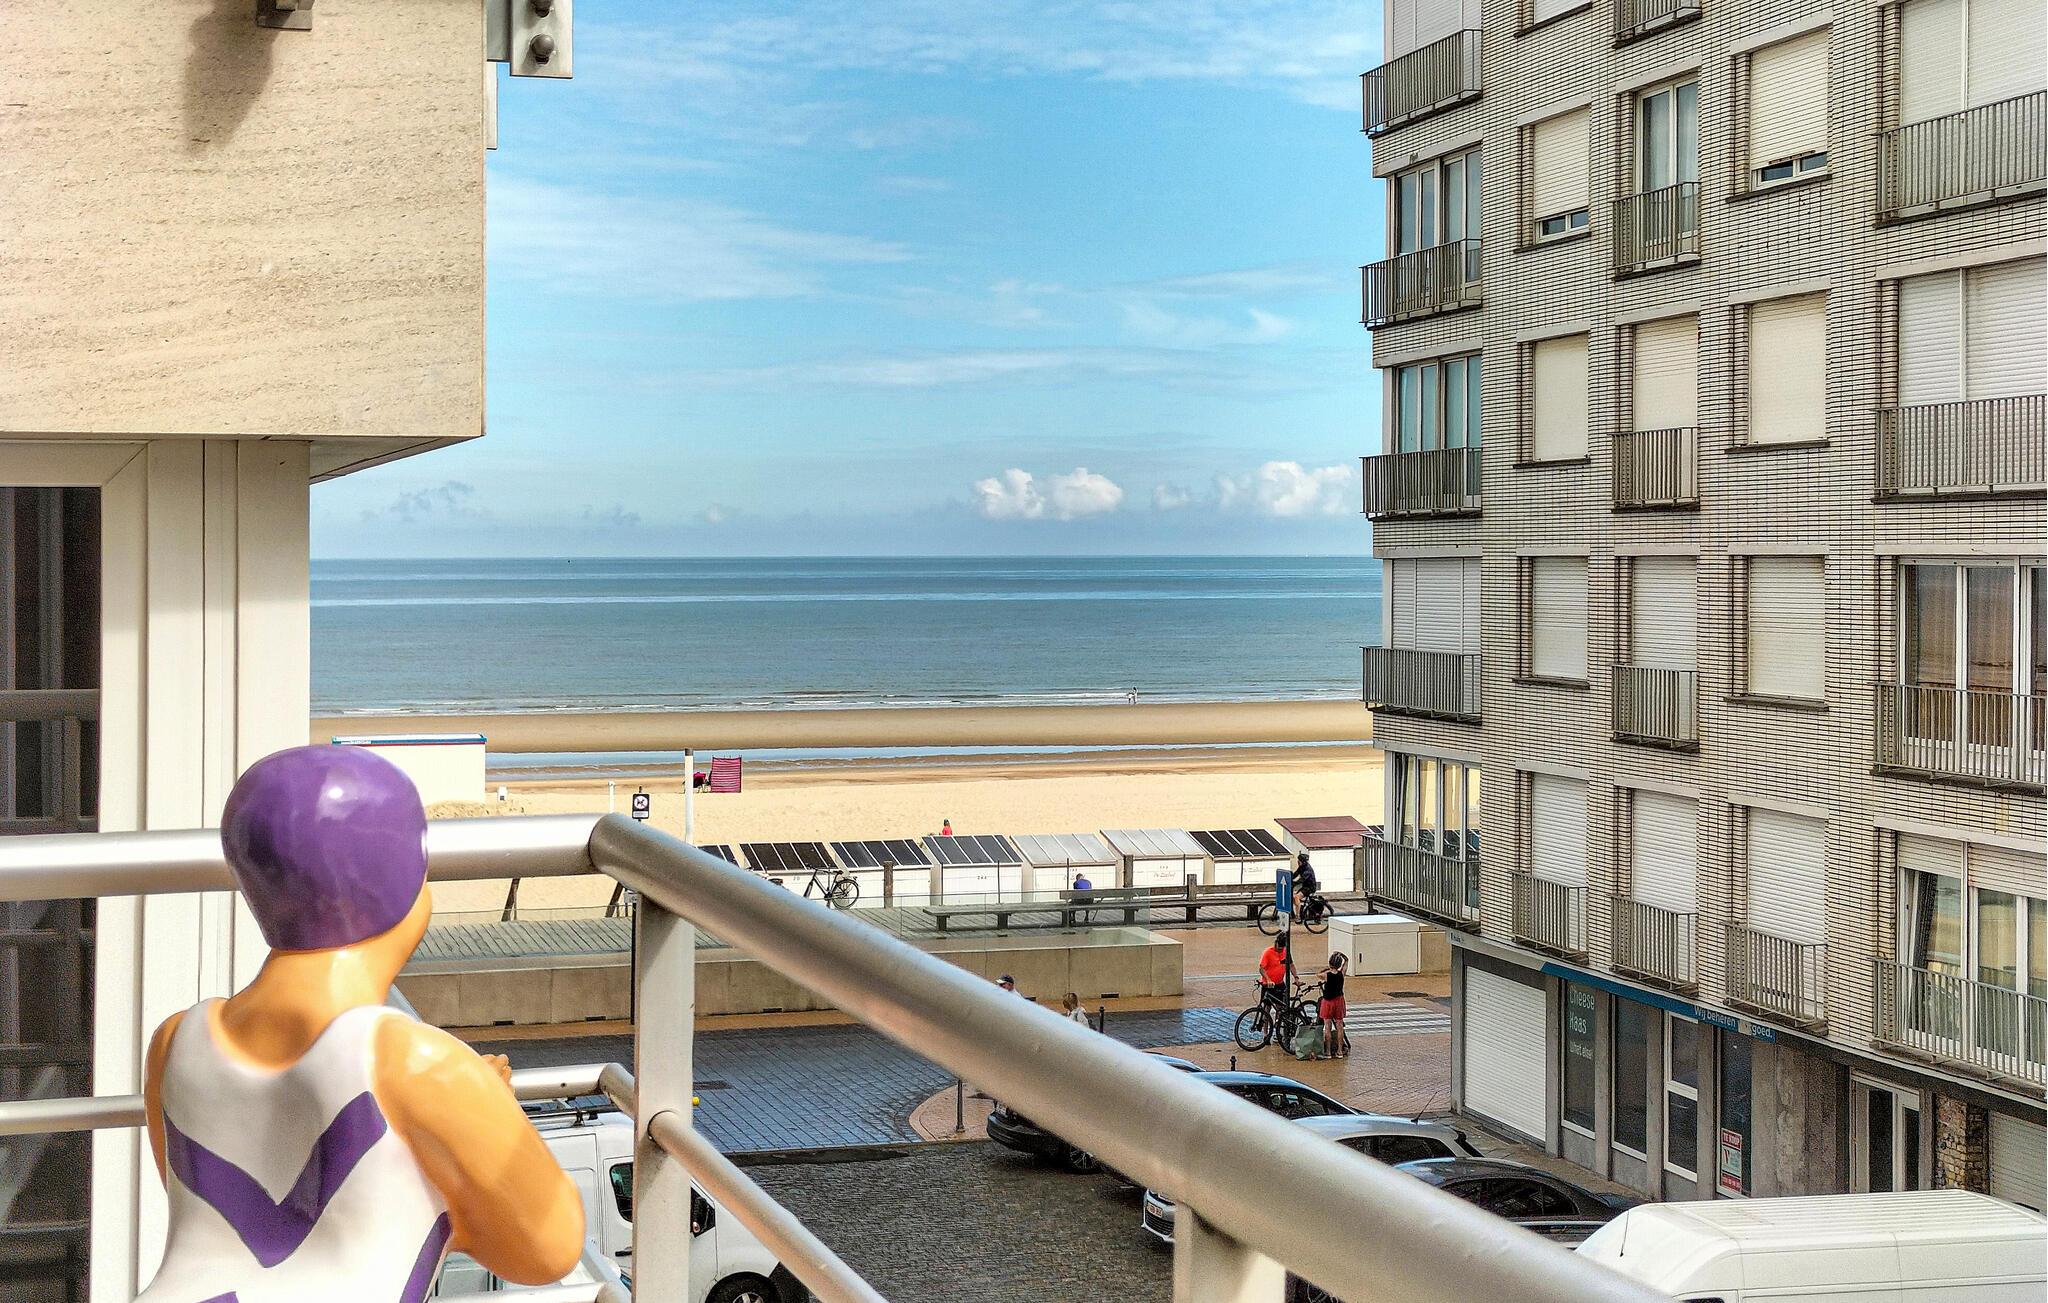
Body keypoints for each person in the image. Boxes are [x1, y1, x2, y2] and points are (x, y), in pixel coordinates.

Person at [137, 746, 584, 1303]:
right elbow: (549, 1250)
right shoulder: (420, 1064)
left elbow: (216, 1213)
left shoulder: (174, 1042)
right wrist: (480, 1112)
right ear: (403, 886)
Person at [1318, 952, 1350, 1059]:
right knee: (1339, 1026)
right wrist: (1342, 955)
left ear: (1330, 963)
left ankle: (1328, 1052)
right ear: (1339, 964)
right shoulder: (1341, 974)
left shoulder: (1326, 975)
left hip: (1328, 1002)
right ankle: (1340, 1051)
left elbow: (1318, 974)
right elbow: (1347, 960)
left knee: (1327, 1026)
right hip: (1339, 1001)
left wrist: (1327, 968)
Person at [1257, 932, 1292, 1011]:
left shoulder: (1286, 952)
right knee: (1267, 1007)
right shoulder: (1268, 952)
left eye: (1281, 949)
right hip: (1268, 984)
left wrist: (1296, 977)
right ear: (1276, 943)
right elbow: (1261, 969)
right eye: (1279, 948)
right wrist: (1268, 980)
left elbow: (1291, 965)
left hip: (1280, 983)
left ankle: (1279, 1019)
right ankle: (1265, 1019)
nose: (1280, 951)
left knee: (1280, 1007)